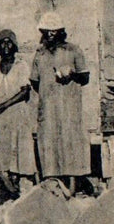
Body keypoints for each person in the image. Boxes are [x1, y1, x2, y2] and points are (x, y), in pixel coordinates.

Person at [30, 12, 90, 193]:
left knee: (69, 141)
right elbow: (34, 81)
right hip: (48, 107)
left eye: (54, 31)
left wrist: (72, 74)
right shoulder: (40, 54)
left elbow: (85, 77)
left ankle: (71, 186)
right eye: (47, 31)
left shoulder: (73, 51)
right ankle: (52, 185)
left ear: (61, 31)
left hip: (68, 106)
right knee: (48, 142)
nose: (50, 34)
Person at [0, 29, 36, 188]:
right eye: (3, 42)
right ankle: (8, 185)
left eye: (9, 42)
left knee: (20, 146)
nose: (6, 46)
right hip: (1, 117)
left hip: (17, 112)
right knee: (3, 148)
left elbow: (25, 92)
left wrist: (4, 105)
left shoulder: (21, 65)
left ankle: (22, 182)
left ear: (14, 46)